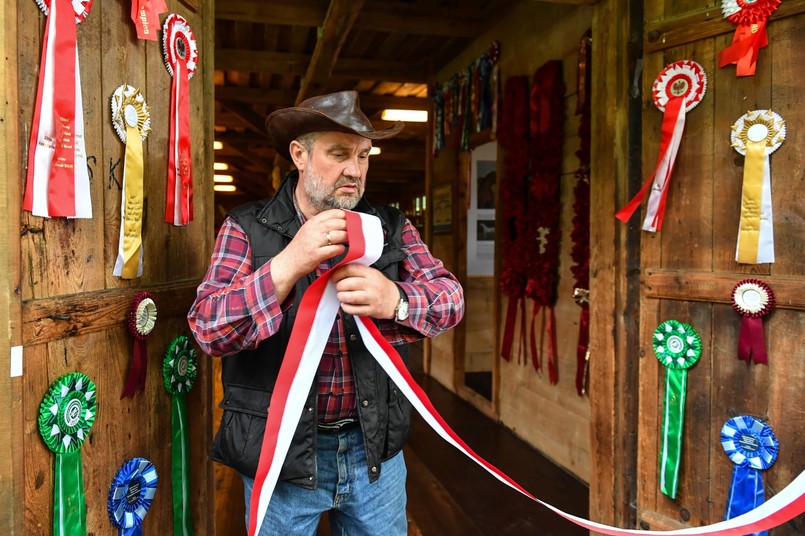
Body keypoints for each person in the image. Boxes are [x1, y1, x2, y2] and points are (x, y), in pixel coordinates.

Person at [187, 90, 464, 535]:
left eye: (363, 155)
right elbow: (207, 328)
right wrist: (286, 266)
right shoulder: (245, 227)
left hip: (373, 453)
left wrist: (396, 298)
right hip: (280, 456)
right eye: (338, 154)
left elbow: (451, 300)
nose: (354, 170)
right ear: (299, 154)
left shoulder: (391, 227)